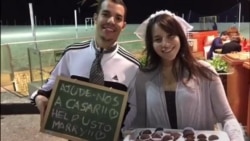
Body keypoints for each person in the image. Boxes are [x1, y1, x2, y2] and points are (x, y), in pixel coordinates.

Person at [30, 0, 139, 139]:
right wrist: (40, 97)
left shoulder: (133, 66)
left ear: (123, 26)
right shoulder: (72, 53)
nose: (111, 21)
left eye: (118, 18)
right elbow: (50, 85)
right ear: (95, 18)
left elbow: (134, 108)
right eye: (105, 14)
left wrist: (120, 133)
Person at [128, 10, 244, 141]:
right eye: (158, 39)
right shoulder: (144, 76)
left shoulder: (206, 73)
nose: (165, 44)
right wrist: (128, 135)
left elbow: (227, 117)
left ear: (181, 37)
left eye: (171, 36)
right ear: (151, 44)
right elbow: (140, 120)